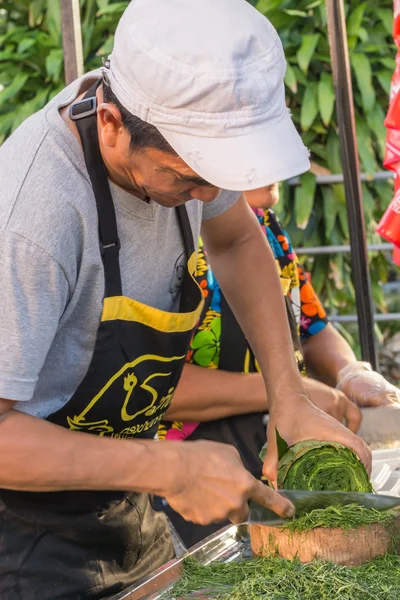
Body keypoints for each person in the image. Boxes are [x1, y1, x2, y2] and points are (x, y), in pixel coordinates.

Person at [0, 0, 370, 597]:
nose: (209, 194)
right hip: (24, 535)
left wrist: (289, 397)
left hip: (128, 501)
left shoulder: (181, 138)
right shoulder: (32, 219)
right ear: (113, 123)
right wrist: (167, 466)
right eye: (187, 179)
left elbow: (238, 241)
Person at [158, 183, 400, 546]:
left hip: (271, 461)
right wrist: (289, 392)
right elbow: (157, 387)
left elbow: (311, 327)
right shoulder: (173, 240)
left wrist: (350, 372)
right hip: (189, 483)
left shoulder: (266, 226)